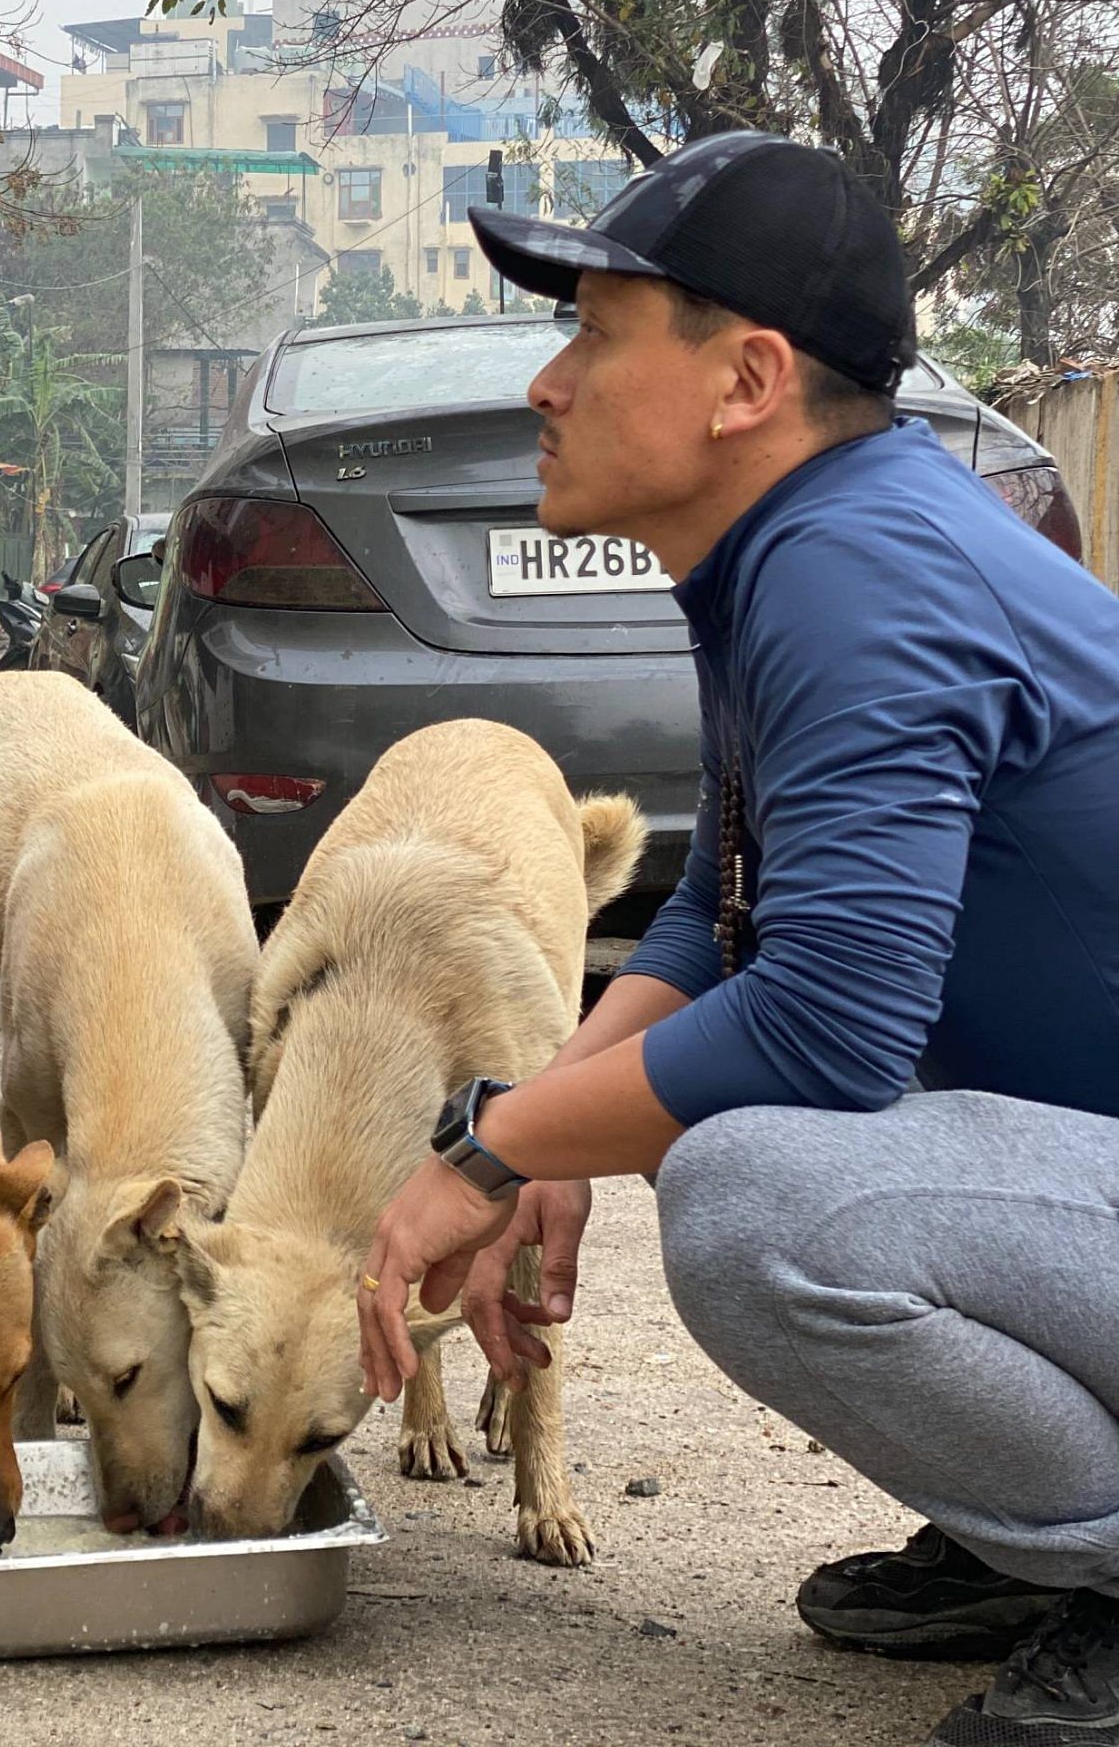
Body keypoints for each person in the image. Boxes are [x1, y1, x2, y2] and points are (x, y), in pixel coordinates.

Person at [357, 132, 1119, 1747]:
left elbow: (832, 1022)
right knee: (748, 1160)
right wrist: (558, 1107)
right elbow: (737, 913)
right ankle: (1034, 1546)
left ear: (745, 378)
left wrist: (478, 1156)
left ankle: (1101, 1556)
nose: (549, 384)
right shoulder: (801, 545)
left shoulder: (855, 566)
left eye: (596, 334)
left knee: (758, 1200)